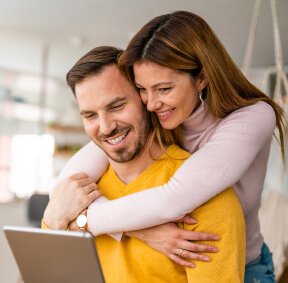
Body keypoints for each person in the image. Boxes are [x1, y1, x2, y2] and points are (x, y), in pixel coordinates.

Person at [53, 11, 287, 282]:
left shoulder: (254, 117)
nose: (150, 104)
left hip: (245, 267)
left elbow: (172, 200)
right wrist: (143, 232)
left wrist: (82, 221)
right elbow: (66, 186)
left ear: (202, 77)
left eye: (164, 89)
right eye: (142, 89)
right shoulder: (159, 113)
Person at [43, 46, 246, 282]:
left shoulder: (207, 198)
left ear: (145, 99)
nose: (106, 127)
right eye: (90, 115)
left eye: (117, 106)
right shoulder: (74, 196)